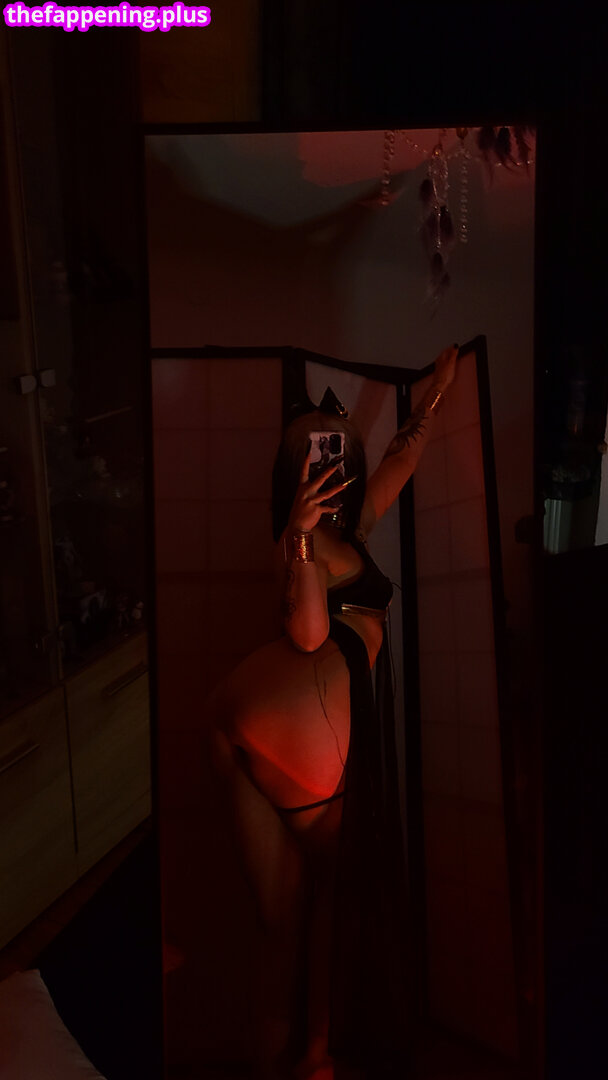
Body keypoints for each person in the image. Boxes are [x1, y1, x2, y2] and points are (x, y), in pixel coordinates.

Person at [210, 345, 459, 1080]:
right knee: (326, 902)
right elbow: (310, 635)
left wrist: (437, 393)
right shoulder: (301, 541)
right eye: (319, 452)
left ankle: (275, 1060)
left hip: (251, 718)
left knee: (282, 919)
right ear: (293, 470)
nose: (334, 461)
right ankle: (314, 1057)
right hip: (303, 729)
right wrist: (298, 532)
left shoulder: (351, 530)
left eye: (340, 451)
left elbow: (402, 459)